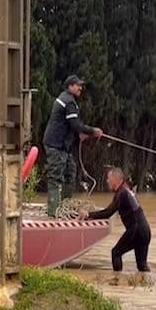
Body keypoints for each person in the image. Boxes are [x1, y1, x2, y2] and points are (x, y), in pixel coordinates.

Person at [42, 75, 103, 217]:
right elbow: (75, 124)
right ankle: (53, 212)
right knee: (55, 178)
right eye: (77, 85)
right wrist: (93, 131)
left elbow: (70, 125)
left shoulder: (68, 100)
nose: (80, 87)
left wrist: (80, 134)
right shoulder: (68, 101)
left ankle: (65, 206)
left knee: (70, 173)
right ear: (70, 86)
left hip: (64, 146)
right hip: (55, 145)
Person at [81, 168, 151, 273]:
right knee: (142, 266)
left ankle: (116, 281)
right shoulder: (127, 190)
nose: (107, 181)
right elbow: (109, 210)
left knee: (116, 253)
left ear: (115, 179)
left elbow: (108, 213)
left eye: (108, 178)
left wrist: (87, 215)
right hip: (145, 231)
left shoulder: (121, 193)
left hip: (136, 230)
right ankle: (148, 286)